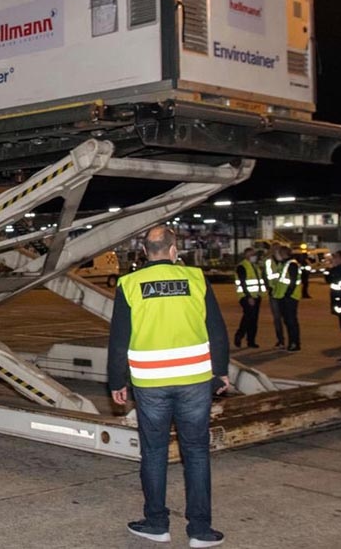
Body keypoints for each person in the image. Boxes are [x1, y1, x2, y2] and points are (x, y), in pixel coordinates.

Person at [108, 226, 230, 548]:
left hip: (151, 383)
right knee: (197, 453)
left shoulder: (130, 284)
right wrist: (221, 371)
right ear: (174, 249)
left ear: (145, 251)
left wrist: (116, 381)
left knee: (154, 452)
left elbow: (119, 340)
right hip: (194, 381)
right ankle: (201, 531)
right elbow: (216, 330)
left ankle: (156, 524)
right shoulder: (196, 279)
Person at [233, 247, 264, 348]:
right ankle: (239, 335)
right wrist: (248, 296)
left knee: (253, 320)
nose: (254, 256)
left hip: (256, 296)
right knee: (248, 318)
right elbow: (243, 283)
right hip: (246, 297)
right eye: (252, 254)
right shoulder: (242, 267)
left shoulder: (254, 266)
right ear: (246, 255)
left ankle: (251, 341)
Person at [275, 246, 302, 351]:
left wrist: (287, 294)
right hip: (284, 296)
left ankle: (295, 343)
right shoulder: (285, 264)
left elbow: (293, 281)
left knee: (291, 321)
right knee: (288, 321)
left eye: (279, 252)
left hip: (289, 298)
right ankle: (292, 343)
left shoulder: (291, 264)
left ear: (283, 253)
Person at [264, 243, 286, 349]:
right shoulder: (269, 261)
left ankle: (289, 340)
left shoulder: (285, 260)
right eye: (275, 248)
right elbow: (267, 276)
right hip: (274, 292)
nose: (277, 250)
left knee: (287, 318)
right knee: (277, 318)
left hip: (284, 292)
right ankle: (280, 340)